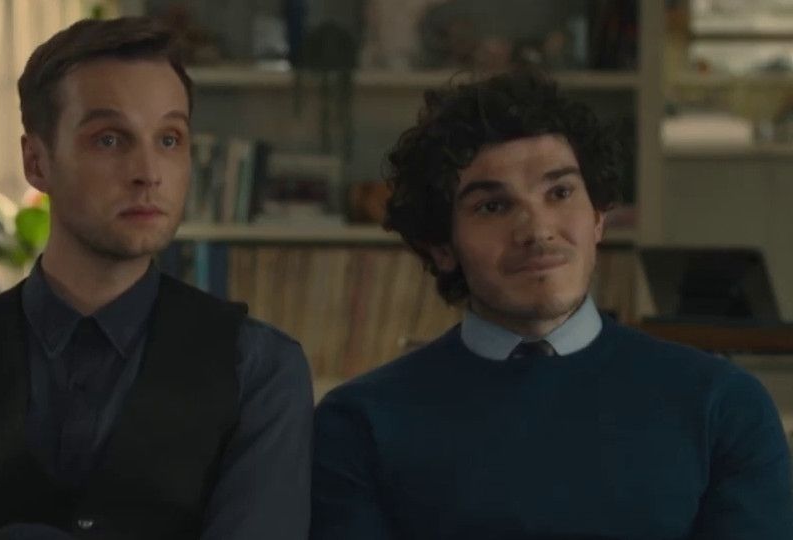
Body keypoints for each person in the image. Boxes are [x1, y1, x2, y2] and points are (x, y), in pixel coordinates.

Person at [0, 17, 312, 540]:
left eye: (169, 139)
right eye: (109, 139)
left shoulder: (258, 371)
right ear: (37, 162)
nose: (148, 172)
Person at [311, 71, 793, 539]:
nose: (538, 230)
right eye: (493, 206)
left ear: (599, 217)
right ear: (441, 246)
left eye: (560, 192)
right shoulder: (360, 423)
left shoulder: (722, 407)